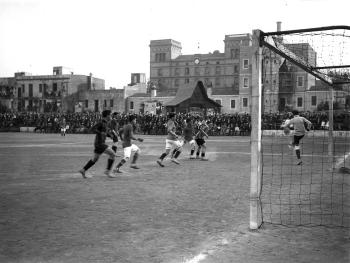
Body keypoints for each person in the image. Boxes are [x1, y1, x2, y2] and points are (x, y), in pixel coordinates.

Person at [79, 110, 117, 178]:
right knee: (113, 154)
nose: (111, 116)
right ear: (107, 115)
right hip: (99, 143)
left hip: (99, 143)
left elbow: (103, 132)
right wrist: (100, 133)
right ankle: (107, 171)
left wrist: (109, 135)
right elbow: (92, 129)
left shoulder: (106, 123)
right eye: (110, 114)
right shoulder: (101, 122)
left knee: (95, 159)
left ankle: (83, 170)